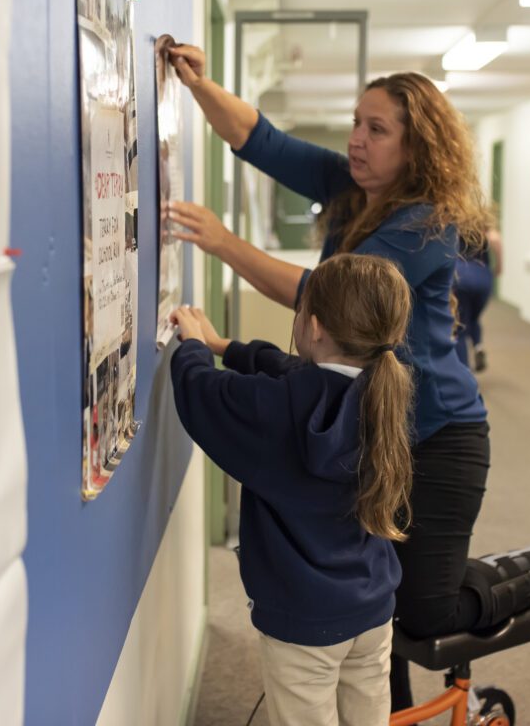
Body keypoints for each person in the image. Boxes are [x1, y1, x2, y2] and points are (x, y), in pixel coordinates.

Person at [167, 44, 493, 709]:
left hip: (436, 433)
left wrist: (223, 242)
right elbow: (261, 139)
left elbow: (325, 294)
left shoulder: (426, 224)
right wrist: (199, 85)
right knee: (373, 603)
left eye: (377, 129)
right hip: (371, 423)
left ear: (418, 147)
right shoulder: (353, 191)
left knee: (421, 609)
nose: (357, 139)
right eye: (355, 122)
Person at [170, 253, 414, 726]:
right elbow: (290, 368)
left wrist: (195, 347)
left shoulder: (275, 409)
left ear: (315, 327)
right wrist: (226, 345)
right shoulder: (384, 391)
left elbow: (201, 393)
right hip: (373, 608)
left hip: (303, 621)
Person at [454, 228, 503, 371]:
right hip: (483, 278)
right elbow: (495, 239)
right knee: (474, 317)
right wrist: (499, 267)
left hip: (460, 276)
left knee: (460, 325)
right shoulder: (483, 227)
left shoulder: (455, 225)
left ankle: (464, 372)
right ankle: (478, 345)